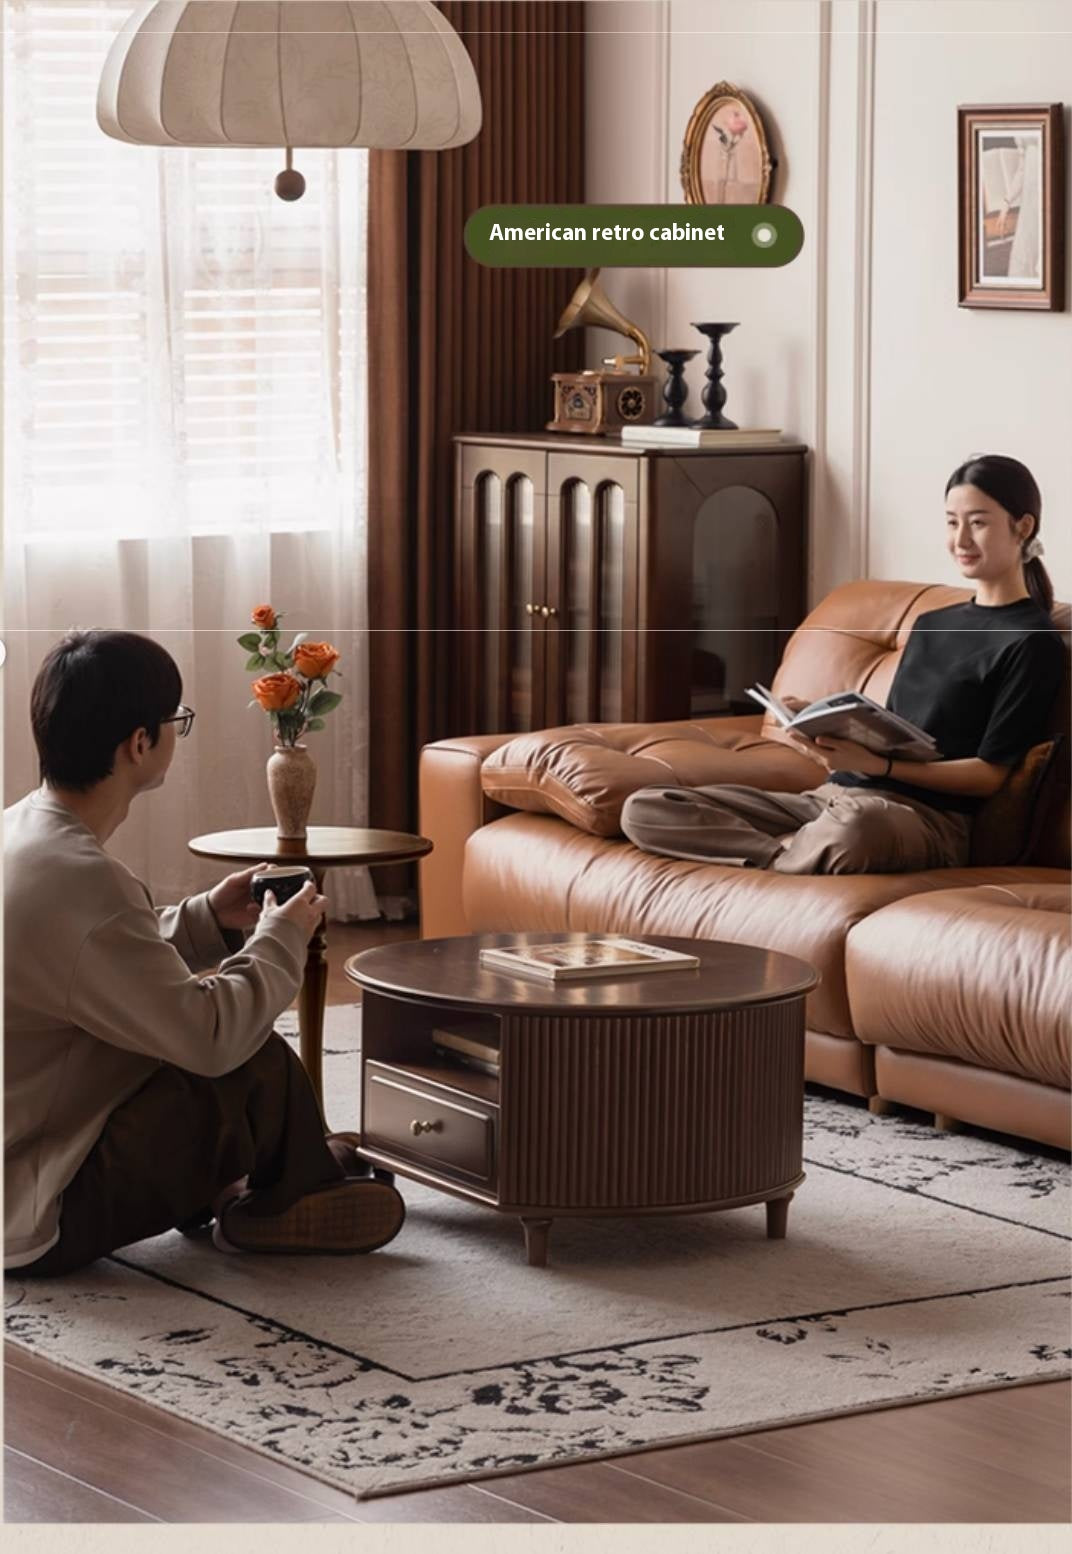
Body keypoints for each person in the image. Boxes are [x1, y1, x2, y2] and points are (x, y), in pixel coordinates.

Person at [4, 630, 405, 1276]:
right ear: (140, 742)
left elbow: (97, 960)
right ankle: (292, 1196)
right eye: (174, 723)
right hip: (38, 1214)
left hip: (18, 1172)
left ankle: (281, 1178)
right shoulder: (85, 880)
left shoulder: (22, 831)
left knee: (223, 1035)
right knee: (246, 1051)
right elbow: (208, 1038)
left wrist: (204, 918)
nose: (172, 735)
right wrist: (281, 939)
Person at [621, 454, 1064, 875]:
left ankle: (796, 851)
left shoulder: (1032, 642)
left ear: (1022, 526)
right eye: (952, 523)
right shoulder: (932, 623)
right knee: (645, 807)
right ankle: (792, 854)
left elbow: (989, 775)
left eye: (979, 523)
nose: (960, 540)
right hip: (835, 797)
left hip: (924, 818)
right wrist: (819, 718)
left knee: (856, 831)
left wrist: (883, 769)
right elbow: (900, 731)